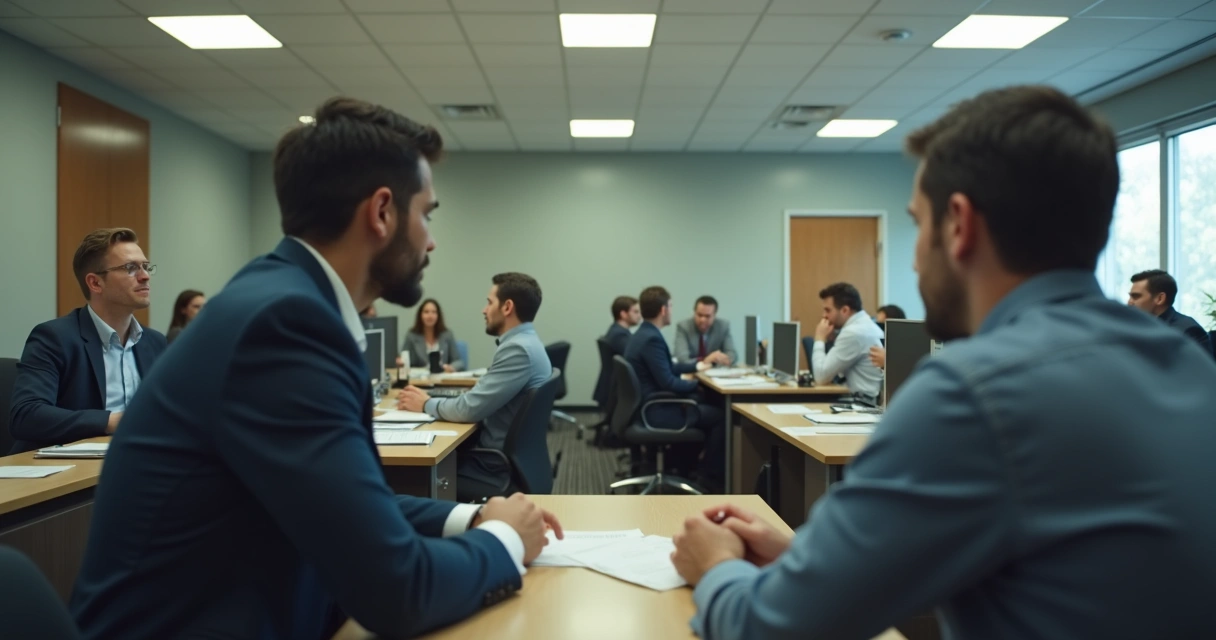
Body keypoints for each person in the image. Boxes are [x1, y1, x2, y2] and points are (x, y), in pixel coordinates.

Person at [668, 85, 1216, 640]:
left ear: (959, 225)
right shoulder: (1189, 367)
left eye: (917, 224)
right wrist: (803, 559)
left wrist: (715, 565)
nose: (913, 257)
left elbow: (766, 631)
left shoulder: (976, 391)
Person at [71, 98, 562, 640]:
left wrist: (470, 518)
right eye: (426, 215)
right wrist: (505, 541)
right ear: (381, 212)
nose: (431, 239)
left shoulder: (279, 299)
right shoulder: (286, 325)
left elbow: (347, 506)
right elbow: (397, 591)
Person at [8, 228, 167, 454]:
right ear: (95, 283)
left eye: (146, 266)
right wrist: (113, 421)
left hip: (138, 459)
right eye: (130, 268)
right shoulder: (54, 338)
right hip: (70, 468)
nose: (145, 276)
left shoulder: (155, 343)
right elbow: (26, 415)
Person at [398, 273, 552, 502]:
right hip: (508, 458)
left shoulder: (518, 349)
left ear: (507, 307)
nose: (484, 310)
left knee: (405, 476)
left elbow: (468, 409)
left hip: (492, 466)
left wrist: (425, 403)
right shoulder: (528, 342)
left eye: (489, 302)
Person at [625, 286, 725, 491]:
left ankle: (682, 466)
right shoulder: (652, 338)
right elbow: (669, 382)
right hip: (655, 411)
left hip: (649, 406)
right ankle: (709, 477)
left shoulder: (643, 334)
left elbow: (667, 367)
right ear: (663, 310)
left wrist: (697, 366)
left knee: (702, 405)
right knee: (720, 417)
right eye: (670, 306)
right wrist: (699, 386)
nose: (671, 310)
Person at [808, 282, 884, 402]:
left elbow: (820, 377)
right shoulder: (864, 325)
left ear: (845, 310)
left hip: (861, 404)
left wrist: (819, 339)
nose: (824, 316)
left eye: (828, 310)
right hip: (862, 400)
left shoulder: (854, 333)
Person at [1127, 269, 1213, 355]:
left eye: (1136, 296)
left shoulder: (1187, 330)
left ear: (1160, 299)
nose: (1129, 302)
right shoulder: (1136, 327)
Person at [594, 296, 640, 408]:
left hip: (613, 387)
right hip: (616, 390)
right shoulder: (620, 336)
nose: (639, 315)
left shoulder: (617, 331)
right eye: (635, 312)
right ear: (623, 314)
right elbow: (635, 358)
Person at [401, 298, 464, 372]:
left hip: (443, 376)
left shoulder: (447, 334)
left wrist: (451, 367)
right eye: (426, 312)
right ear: (420, 315)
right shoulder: (411, 336)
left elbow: (458, 362)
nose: (430, 316)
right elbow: (404, 361)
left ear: (438, 315)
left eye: (434, 312)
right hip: (420, 378)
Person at [674, 295, 736, 366]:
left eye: (707, 316)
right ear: (694, 312)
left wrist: (725, 359)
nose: (702, 320)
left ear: (714, 315)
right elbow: (682, 360)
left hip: (714, 371)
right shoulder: (683, 327)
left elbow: (732, 355)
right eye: (699, 315)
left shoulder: (723, 326)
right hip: (691, 371)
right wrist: (706, 360)